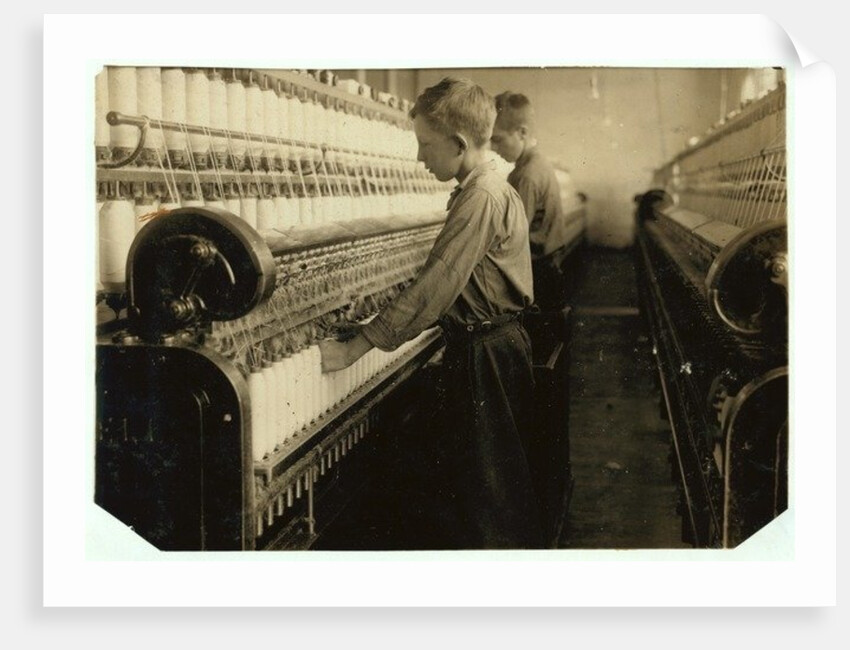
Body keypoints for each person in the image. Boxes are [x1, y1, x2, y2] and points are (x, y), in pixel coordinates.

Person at [318, 77, 543, 549]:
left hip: (487, 355)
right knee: (486, 485)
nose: (420, 158)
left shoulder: (481, 196)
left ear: (459, 144)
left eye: (425, 145)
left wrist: (354, 348)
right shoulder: (483, 189)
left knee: (490, 495)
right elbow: (449, 276)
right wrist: (370, 312)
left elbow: (435, 287)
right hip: (489, 346)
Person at [490, 91, 567, 309]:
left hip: (537, 271)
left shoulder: (526, 175)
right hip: (549, 266)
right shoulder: (537, 162)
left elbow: (511, 237)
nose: (493, 149)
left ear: (522, 133)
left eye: (498, 140)